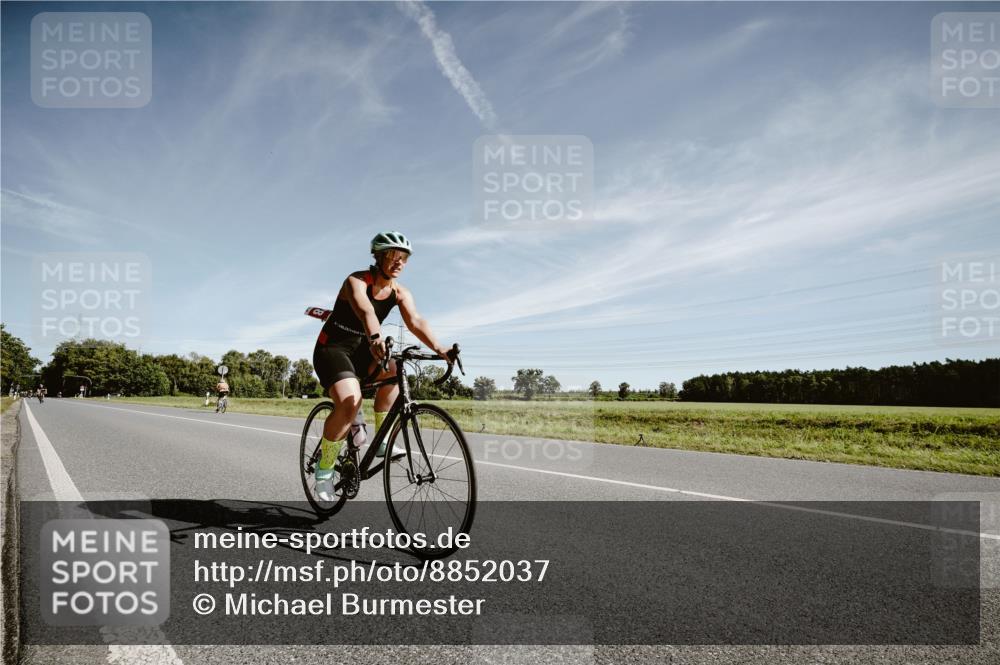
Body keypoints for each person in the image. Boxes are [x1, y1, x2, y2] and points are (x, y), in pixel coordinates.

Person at [311, 231, 453, 501]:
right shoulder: (356, 281)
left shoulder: (400, 292)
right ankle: (324, 470)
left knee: (395, 370)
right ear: (378, 257)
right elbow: (365, 311)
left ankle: (381, 443)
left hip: (366, 350)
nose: (398, 262)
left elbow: (416, 321)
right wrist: (375, 337)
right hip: (334, 348)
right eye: (392, 256)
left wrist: (440, 348)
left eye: (404, 258)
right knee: (350, 402)